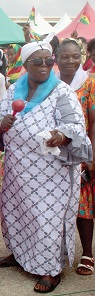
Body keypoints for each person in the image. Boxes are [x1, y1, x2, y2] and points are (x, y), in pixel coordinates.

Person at [0, 36, 92, 293]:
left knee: (46, 218)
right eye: (38, 62)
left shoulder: (61, 91)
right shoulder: (15, 89)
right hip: (17, 167)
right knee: (16, 213)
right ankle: (19, 254)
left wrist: (62, 135)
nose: (45, 66)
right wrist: (2, 122)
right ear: (25, 64)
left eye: (49, 61)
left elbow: (75, 125)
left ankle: (50, 270)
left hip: (51, 171)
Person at [55, 39, 95, 276]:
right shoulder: (51, 84)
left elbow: (93, 125)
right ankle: (57, 252)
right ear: (56, 59)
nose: (70, 61)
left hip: (80, 154)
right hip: (55, 154)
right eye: (64, 57)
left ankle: (87, 254)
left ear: (81, 57)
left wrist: (90, 158)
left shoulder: (89, 85)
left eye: (74, 56)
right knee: (57, 206)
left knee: (84, 207)